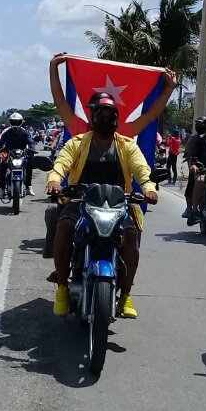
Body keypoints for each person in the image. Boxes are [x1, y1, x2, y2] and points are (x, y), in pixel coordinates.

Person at [45, 94, 159, 320]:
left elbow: (142, 169)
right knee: (64, 228)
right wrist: (55, 180)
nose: (105, 119)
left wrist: (148, 188)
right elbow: (61, 163)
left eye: (110, 115)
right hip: (80, 203)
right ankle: (61, 287)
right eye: (101, 114)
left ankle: (126, 294)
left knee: (130, 239)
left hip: (117, 206)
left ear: (116, 119)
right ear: (92, 117)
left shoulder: (127, 146)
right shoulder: (77, 143)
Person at [49, 52, 178, 136]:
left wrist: (54, 66)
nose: (104, 118)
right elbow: (150, 115)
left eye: (107, 113)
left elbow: (60, 103)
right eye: (101, 112)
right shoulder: (82, 132)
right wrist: (169, 88)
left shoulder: (81, 131)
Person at [0, 112, 35, 198]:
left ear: (21, 122)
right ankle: (1, 189)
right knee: (3, 165)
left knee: (29, 164)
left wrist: (32, 149)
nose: (15, 124)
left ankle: (29, 186)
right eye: (13, 122)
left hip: (22, 154)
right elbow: (0, 142)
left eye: (17, 122)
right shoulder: (7, 132)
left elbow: (30, 141)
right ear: (10, 122)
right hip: (10, 154)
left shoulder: (24, 133)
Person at [181, 117, 206, 218]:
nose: (199, 126)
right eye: (197, 124)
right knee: (191, 184)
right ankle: (189, 208)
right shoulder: (193, 138)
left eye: (201, 124)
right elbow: (188, 153)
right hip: (197, 166)